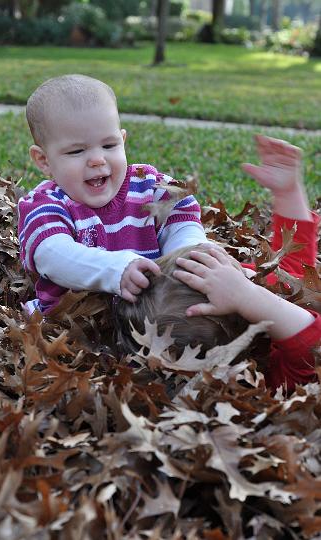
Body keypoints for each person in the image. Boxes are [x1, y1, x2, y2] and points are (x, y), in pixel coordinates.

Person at [114, 135, 321, 393]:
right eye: (242, 280)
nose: (246, 271)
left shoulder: (250, 293)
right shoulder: (282, 375)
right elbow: (314, 344)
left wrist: (288, 192)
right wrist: (250, 294)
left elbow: (293, 269)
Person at [18, 74, 209, 314]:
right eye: (77, 151)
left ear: (123, 140)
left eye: (109, 146)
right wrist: (116, 270)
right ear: (44, 160)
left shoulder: (146, 185)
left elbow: (181, 217)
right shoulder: (46, 205)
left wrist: (186, 257)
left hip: (153, 316)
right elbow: (53, 256)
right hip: (76, 328)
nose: (98, 159)